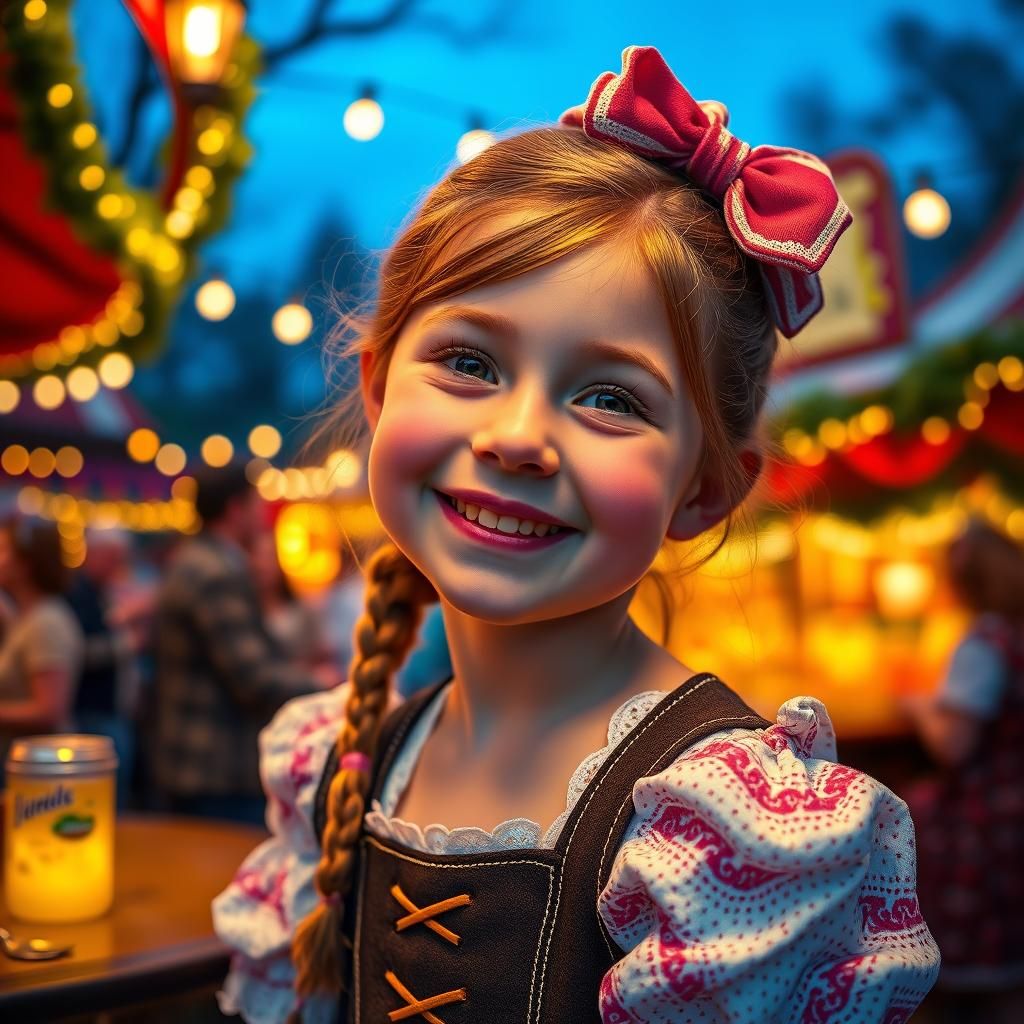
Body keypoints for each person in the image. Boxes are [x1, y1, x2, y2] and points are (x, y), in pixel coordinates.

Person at [213, 47, 940, 1023]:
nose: (515, 437)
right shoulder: (338, 761)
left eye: (609, 398)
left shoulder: (730, 842)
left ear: (703, 490)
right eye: (468, 361)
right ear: (380, 389)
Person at [150, 464, 334, 824]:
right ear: (236, 509)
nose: (263, 516)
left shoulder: (197, 559)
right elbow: (253, 676)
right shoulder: (215, 571)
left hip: (191, 761)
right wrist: (323, 685)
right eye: (257, 505)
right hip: (212, 768)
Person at [903, 520, 1024, 1023]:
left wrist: (917, 707)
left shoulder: (983, 642)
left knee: (985, 974)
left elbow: (954, 743)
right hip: (1014, 805)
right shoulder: (1014, 632)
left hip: (985, 818)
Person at [0, 516, 84, 783]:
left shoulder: (46, 622)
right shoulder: (28, 616)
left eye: (3, 551)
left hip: (39, 771)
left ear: (25, 564)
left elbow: (50, 711)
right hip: (26, 763)